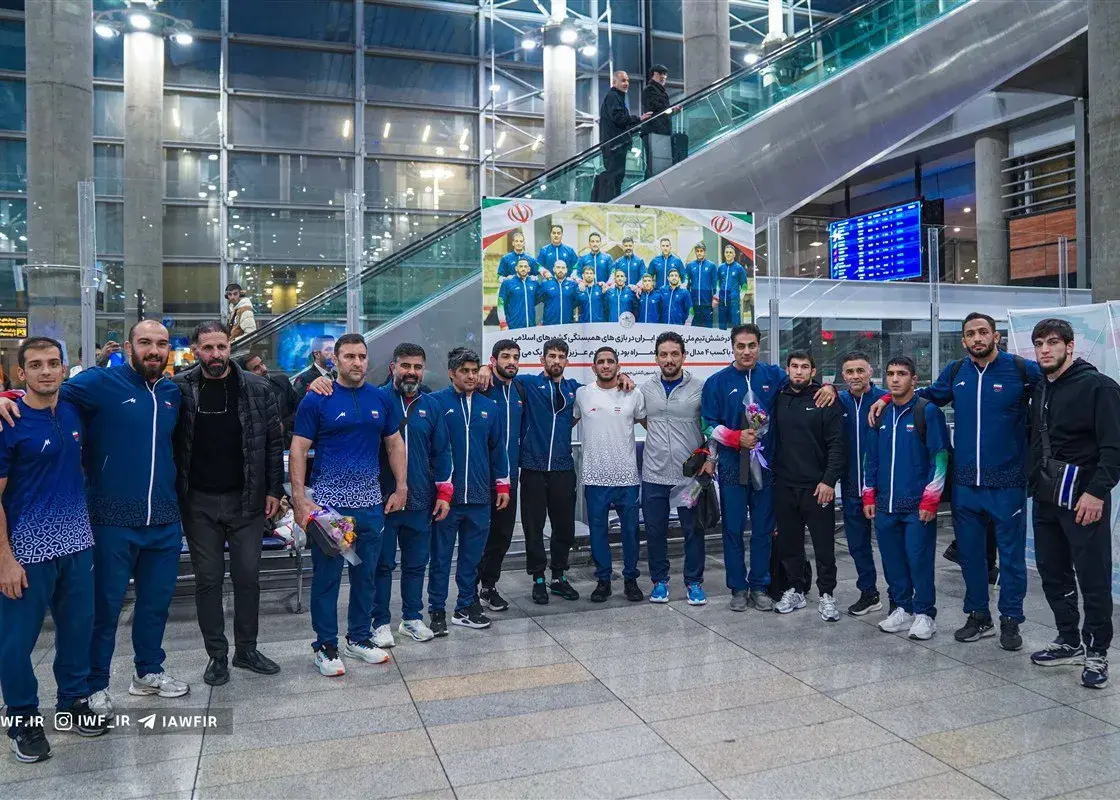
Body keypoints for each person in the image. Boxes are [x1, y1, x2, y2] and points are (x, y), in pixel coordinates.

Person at [0, 321, 190, 715]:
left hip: (164, 518)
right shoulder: (98, 383)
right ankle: (94, 684)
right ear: (129, 347)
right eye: (145, 342)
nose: (154, 350)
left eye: (161, 343)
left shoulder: (172, 391)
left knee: (156, 605)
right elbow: (43, 392)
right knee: (103, 610)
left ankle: (148, 671)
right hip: (109, 520)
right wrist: (6, 396)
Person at [869, 312, 1040, 651]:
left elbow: (1055, 386)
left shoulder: (1021, 369)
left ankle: (1010, 618)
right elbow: (925, 395)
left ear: (995, 336)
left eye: (983, 332)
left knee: (1011, 558)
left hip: (1007, 482)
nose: (977, 338)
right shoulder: (957, 371)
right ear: (963, 341)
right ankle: (978, 616)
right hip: (965, 484)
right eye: (970, 334)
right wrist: (887, 397)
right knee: (971, 556)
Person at [0, 337, 107, 763]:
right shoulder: (9, 421)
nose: (45, 371)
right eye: (35, 365)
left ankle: (72, 703)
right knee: (16, 642)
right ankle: (22, 718)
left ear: (64, 368)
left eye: (52, 363)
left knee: (78, 631)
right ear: (20, 373)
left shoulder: (72, 411)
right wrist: (5, 559)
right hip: (26, 551)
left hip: (77, 543)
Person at [288, 334, 408, 677]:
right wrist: (300, 499)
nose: (357, 362)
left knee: (366, 576)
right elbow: (298, 449)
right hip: (331, 508)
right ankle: (325, 646)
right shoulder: (318, 398)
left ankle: (358, 638)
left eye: (361, 356)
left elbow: (395, 444)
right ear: (336, 360)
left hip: (370, 504)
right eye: (349, 356)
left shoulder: (380, 398)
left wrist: (401, 486)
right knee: (327, 579)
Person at [173, 322, 284, 687]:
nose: (216, 354)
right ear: (195, 350)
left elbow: (273, 443)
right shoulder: (181, 389)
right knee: (207, 580)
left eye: (221, 346)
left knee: (248, 577)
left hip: (246, 501)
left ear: (229, 346)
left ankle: (246, 650)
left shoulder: (257, 387)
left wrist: (274, 490)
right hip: (198, 503)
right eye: (208, 348)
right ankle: (217, 655)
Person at [702, 323, 835, 612]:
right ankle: (738, 588)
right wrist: (735, 437)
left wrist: (828, 386)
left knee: (763, 529)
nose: (746, 351)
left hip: (768, 466)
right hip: (733, 466)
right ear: (732, 347)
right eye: (740, 346)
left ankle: (760, 585)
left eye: (751, 345)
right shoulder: (716, 382)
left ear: (758, 346)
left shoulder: (773, 375)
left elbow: (802, 383)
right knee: (733, 529)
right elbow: (707, 425)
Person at [1027, 318, 1120, 689]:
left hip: (1085, 499)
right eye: (1039, 343)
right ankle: (1069, 639)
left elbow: (1114, 447)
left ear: (1070, 346)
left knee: (1093, 577)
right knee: (1052, 572)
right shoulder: (1041, 386)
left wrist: (1097, 493)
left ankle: (1097, 651)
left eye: (1052, 342)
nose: (1045, 349)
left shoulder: (1099, 387)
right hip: (1047, 497)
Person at [863, 356, 949, 641]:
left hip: (916, 506)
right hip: (885, 504)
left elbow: (939, 457)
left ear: (914, 379)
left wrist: (930, 499)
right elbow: (870, 458)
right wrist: (868, 494)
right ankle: (903, 608)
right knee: (892, 560)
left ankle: (925, 614)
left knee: (918, 559)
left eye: (901, 374)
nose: (895, 379)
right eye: (890, 374)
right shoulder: (880, 413)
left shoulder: (928, 411)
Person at [427, 348, 510, 633]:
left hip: (479, 496)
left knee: (472, 558)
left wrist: (502, 484)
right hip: (445, 500)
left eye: (475, 371)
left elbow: (498, 449)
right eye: (465, 371)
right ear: (452, 373)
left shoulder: (490, 407)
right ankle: (437, 610)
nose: (472, 376)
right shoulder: (435, 403)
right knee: (440, 557)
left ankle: (465, 607)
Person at [373, 344, 452, 646]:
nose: (412, 372)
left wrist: (444, 493)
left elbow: (442, 451)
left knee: (417, 563)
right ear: (393, 367)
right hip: (383, 501)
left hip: (420, 499)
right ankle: (380, 622)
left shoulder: (431, 405)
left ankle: (412, 618)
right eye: (405, 365)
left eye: (417, 367)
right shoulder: (377, 399)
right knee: (381, 565)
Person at [769, 350, 845, 620]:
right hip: (785, 485)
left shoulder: (825, 399)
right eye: (794, 366)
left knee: (824, 545)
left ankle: (827, 594)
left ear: (813, 372)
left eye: (804, 367)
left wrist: (828, 481)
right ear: (787, 369)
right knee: (790, 544)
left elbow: (837, 444)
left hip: (817, 487)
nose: (798, 371)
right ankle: (796, 589)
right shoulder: (779, 397)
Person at [639, 331, 711, 605]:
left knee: (693, 530)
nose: (669, 359)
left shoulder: (700, 388)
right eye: (663, 354)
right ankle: (660, 582)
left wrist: (710, 460)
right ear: (656, 358)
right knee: (655, 531)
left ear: (683, 356)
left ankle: (694, 582)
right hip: (654, 473)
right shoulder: (646, 389)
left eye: (674, 354)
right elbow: (643, 418)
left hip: (689, 476)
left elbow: (711, 427)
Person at [575, 347, 647, 602]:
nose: (606, 365)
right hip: (595, 477)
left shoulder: (633, 393)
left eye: (610, 361)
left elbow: (651, 425)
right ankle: (603, 580)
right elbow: (565, 422)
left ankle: (630, 580)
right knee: (598, 532)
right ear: (593, 367)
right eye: (601, 362)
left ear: (618, 365)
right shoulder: (582, 394)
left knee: (630, 532)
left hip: (627, 477)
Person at [836, 351, 887, 616]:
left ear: (870, 372)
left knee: (890, 547)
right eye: (850, 371)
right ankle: (868, 593)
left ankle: (900, 598)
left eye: (860, 370)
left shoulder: (885, 399)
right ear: (843, 376)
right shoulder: (839, 401)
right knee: (858, 546)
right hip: (851, 488)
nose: (855, 376)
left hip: (883, 490)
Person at [478, 340, 527, 612]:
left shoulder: (520, 389)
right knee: (477, 536)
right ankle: (468, 591)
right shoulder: (482, 386)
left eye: (516, 357)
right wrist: (482, 369)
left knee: (502, 535)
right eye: (506, 356)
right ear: (493, 359)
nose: (511, 361)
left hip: (509, 478)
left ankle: (489, 586)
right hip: (480, 478)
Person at [599, 71, 651, 200]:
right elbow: (618, 118)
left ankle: (612, 202)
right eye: (623, 80)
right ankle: (610, 203)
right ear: (614, 82)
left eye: (627, 80)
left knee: (617, 177)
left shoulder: (617, 97)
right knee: (614, 177)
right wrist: (638, 119)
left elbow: (619, 122)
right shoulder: (613, 96)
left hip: (615, 145)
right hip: (614, 146)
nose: (626, 83)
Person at [239, 353, 300, 447]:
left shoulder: (282, 382)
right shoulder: (243, 397)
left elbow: (300, 409)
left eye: (262, 364)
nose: (264, 369)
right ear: (246, 375)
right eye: (256, 368)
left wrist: (284, 425)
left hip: (288, 441)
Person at [641, 64, 673, 178]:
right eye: (660, 74)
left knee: (659, 165)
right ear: (653, 75)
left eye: (665, 74)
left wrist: (671, 110)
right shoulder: (650, 89)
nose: (663, 76)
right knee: (654, 165)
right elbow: (656, 107)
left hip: (660, 132)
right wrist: (671, 109)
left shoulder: (661, 91)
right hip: (654, 132)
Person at [497, 258, 539, 331]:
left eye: (525, 266)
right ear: (516, 268)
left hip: (531, 326)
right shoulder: (507, 283)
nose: (523, 269)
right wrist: (503, 323)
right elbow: (500, 304)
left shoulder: (534, 283)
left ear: (529, 269)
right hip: (512, 326)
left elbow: (537, 299)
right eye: (521, 266)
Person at [684, 242, 718, 329]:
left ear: (705, 252)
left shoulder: (711, 266)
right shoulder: (690, 266)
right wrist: (687, 299)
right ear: (695, 252)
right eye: (697, 251)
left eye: (701, 251)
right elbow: (686, 283)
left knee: (708, 329)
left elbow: (715, 284)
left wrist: (715, 299)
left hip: (707, 304)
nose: (699, 253)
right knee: (694, 329)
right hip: (694, 304)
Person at [292, 335, 336, 400]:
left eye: (334, 349)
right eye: (329, 349)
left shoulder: (338, 375)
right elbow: (297, 403)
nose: (334, 353)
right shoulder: (303, 379)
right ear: (317, 354)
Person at [716, 244, 749, 330]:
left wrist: (739, 297)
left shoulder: (739, 268)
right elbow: (718, 282)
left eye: (730, 252)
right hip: (722, 302)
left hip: (734, 302)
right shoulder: (720, 268)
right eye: (727, 252)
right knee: (722, 327)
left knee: (736, 327)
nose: (728, 254)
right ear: (724, 254)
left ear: (734, 254)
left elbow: (744, 285)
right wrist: (718, 295)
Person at [537, 259, 579, 326]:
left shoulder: (572, 284)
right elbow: (538, 298)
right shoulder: (545, 284)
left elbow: (576, 301)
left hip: (567, 324)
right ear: (554, 269)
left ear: (566, 270)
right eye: (558, 267)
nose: (560, 270)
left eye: (563, 268)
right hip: (549, 324)